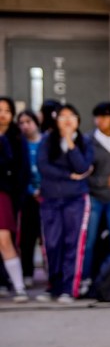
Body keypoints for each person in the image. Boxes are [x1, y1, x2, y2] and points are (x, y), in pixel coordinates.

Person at [37, 104, 95, 303]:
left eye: (72, 115)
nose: (67, 119)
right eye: (62, 116)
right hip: (50, 199)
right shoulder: (47, 140)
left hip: (76, 199)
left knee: (73, 243)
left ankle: (69, 289)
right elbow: (43, 167)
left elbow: (83, 166)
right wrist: (69, 175)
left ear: (78, 120)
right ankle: (53, 285)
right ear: (56, 120)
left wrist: (70, 143)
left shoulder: (84, 142)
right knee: (52, 244)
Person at [83, 102, 110, 288]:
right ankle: (85, 279)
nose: (100, 120)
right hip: (94, 197)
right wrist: (103, 181)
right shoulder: (87, 141)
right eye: (98, 116)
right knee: (88, 243)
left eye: (105, 116)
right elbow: (83, 172)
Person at [0, 97, 31, 301]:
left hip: (5, 194)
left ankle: (19, 286)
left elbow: (22, 171)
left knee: (4, 239)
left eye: (6, 110)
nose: (2, 114)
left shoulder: (16, 139)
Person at [16, 110, 44, 287]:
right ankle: (27, 272)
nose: (25, 126)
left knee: (48, 237)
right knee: (27, 237)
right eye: (21, 122)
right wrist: (30, 190)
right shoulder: (18, 144)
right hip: (27, 196)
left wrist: (43, 189)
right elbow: (18, 172)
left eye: (29, 121)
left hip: (48, 195)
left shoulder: (47, 142)